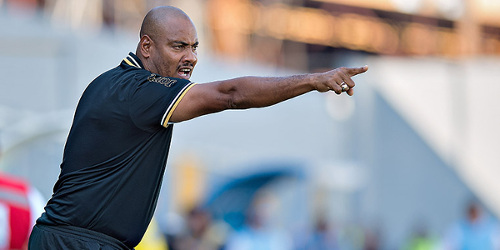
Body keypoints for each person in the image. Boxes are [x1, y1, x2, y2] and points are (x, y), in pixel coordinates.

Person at [28, 5, 368, 250]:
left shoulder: (111, 83)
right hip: (76, 242)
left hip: (67, 237)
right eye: (178, 46)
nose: (190, 57)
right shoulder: (139, 90)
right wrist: (312, 80)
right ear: (146, 46)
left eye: (194, 47)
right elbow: (230, 95)